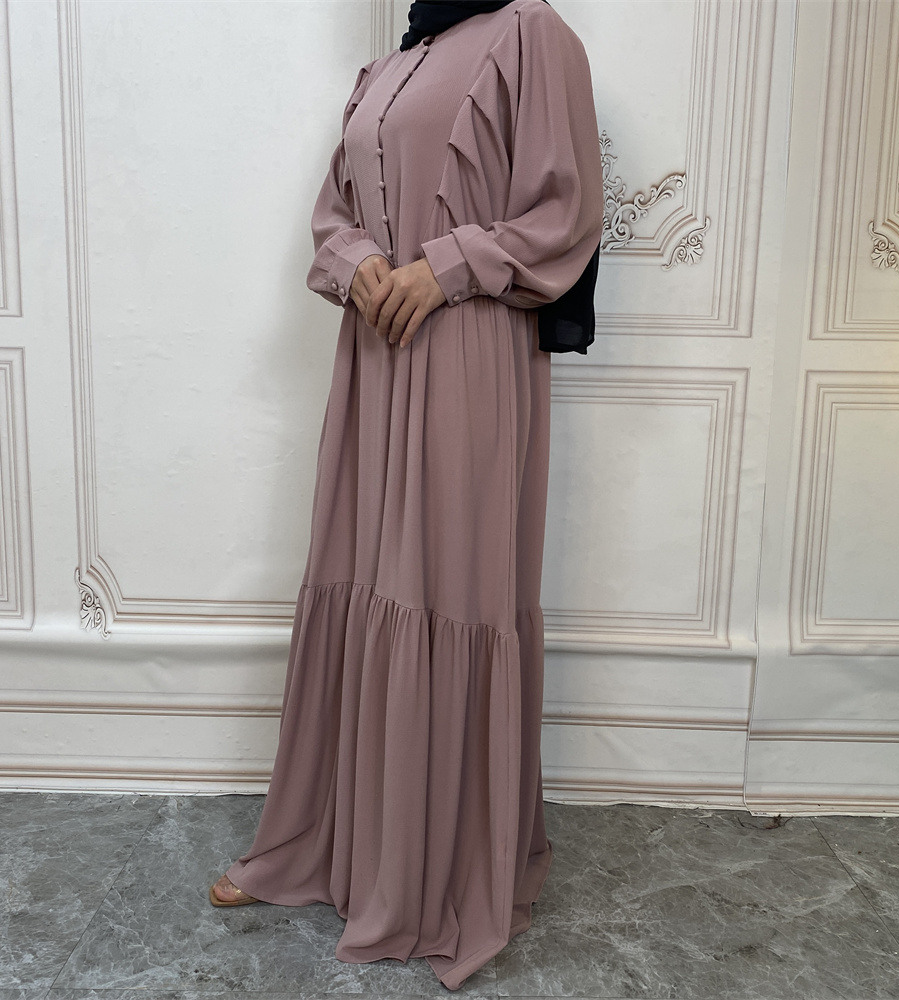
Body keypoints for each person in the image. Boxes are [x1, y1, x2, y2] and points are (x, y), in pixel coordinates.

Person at [209, 0, 602, 990]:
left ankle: (432, 873)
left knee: (443, 589)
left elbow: (565, 212)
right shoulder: (386, 68)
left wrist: (445, 268)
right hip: (374, 356)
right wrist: (361, 266)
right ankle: (336, 845)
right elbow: (332, 211)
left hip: (466, 349)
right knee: (361, 576)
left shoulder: (531, 33)